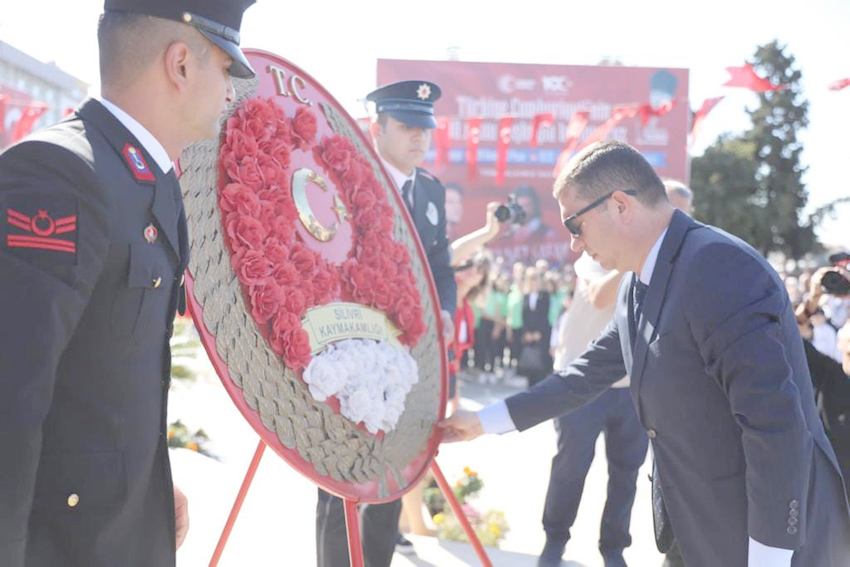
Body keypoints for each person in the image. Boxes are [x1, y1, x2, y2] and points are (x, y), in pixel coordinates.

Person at [441, 140, 850, 567]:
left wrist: (769, 557)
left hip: (765, 541)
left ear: (619, 205)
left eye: (574, 225)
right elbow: (585, 375)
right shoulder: (638, 282)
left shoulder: (718, 268)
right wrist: (483, 421)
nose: (574, 245)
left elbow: (774, 424)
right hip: (696, 530)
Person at [0, 2, 255, 566]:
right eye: (225, 68)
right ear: (181, 64)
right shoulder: (58, 173)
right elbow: (10, 403)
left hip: (121, 531)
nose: (232, 92)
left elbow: (114, 374)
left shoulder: (152, 180)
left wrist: (147, 486)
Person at [315, 80, 457, 567]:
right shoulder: (347, 179)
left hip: (408, 357)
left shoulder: (432, 191)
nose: (419, 138)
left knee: (391, 472)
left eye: (425, 129)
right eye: (407, 127)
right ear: (377, 128)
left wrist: (446, 310)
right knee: (341, 477)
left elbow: (440, 266)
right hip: (351, 349)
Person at [537, 253, 648, 567]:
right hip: (582, 380)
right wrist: (640, 256)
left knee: (626, 473)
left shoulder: (667, 256)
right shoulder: (601, 248)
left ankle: (613, 548)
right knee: (571, 466)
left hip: (632, 385)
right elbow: (600, 296)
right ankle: (555, 540)